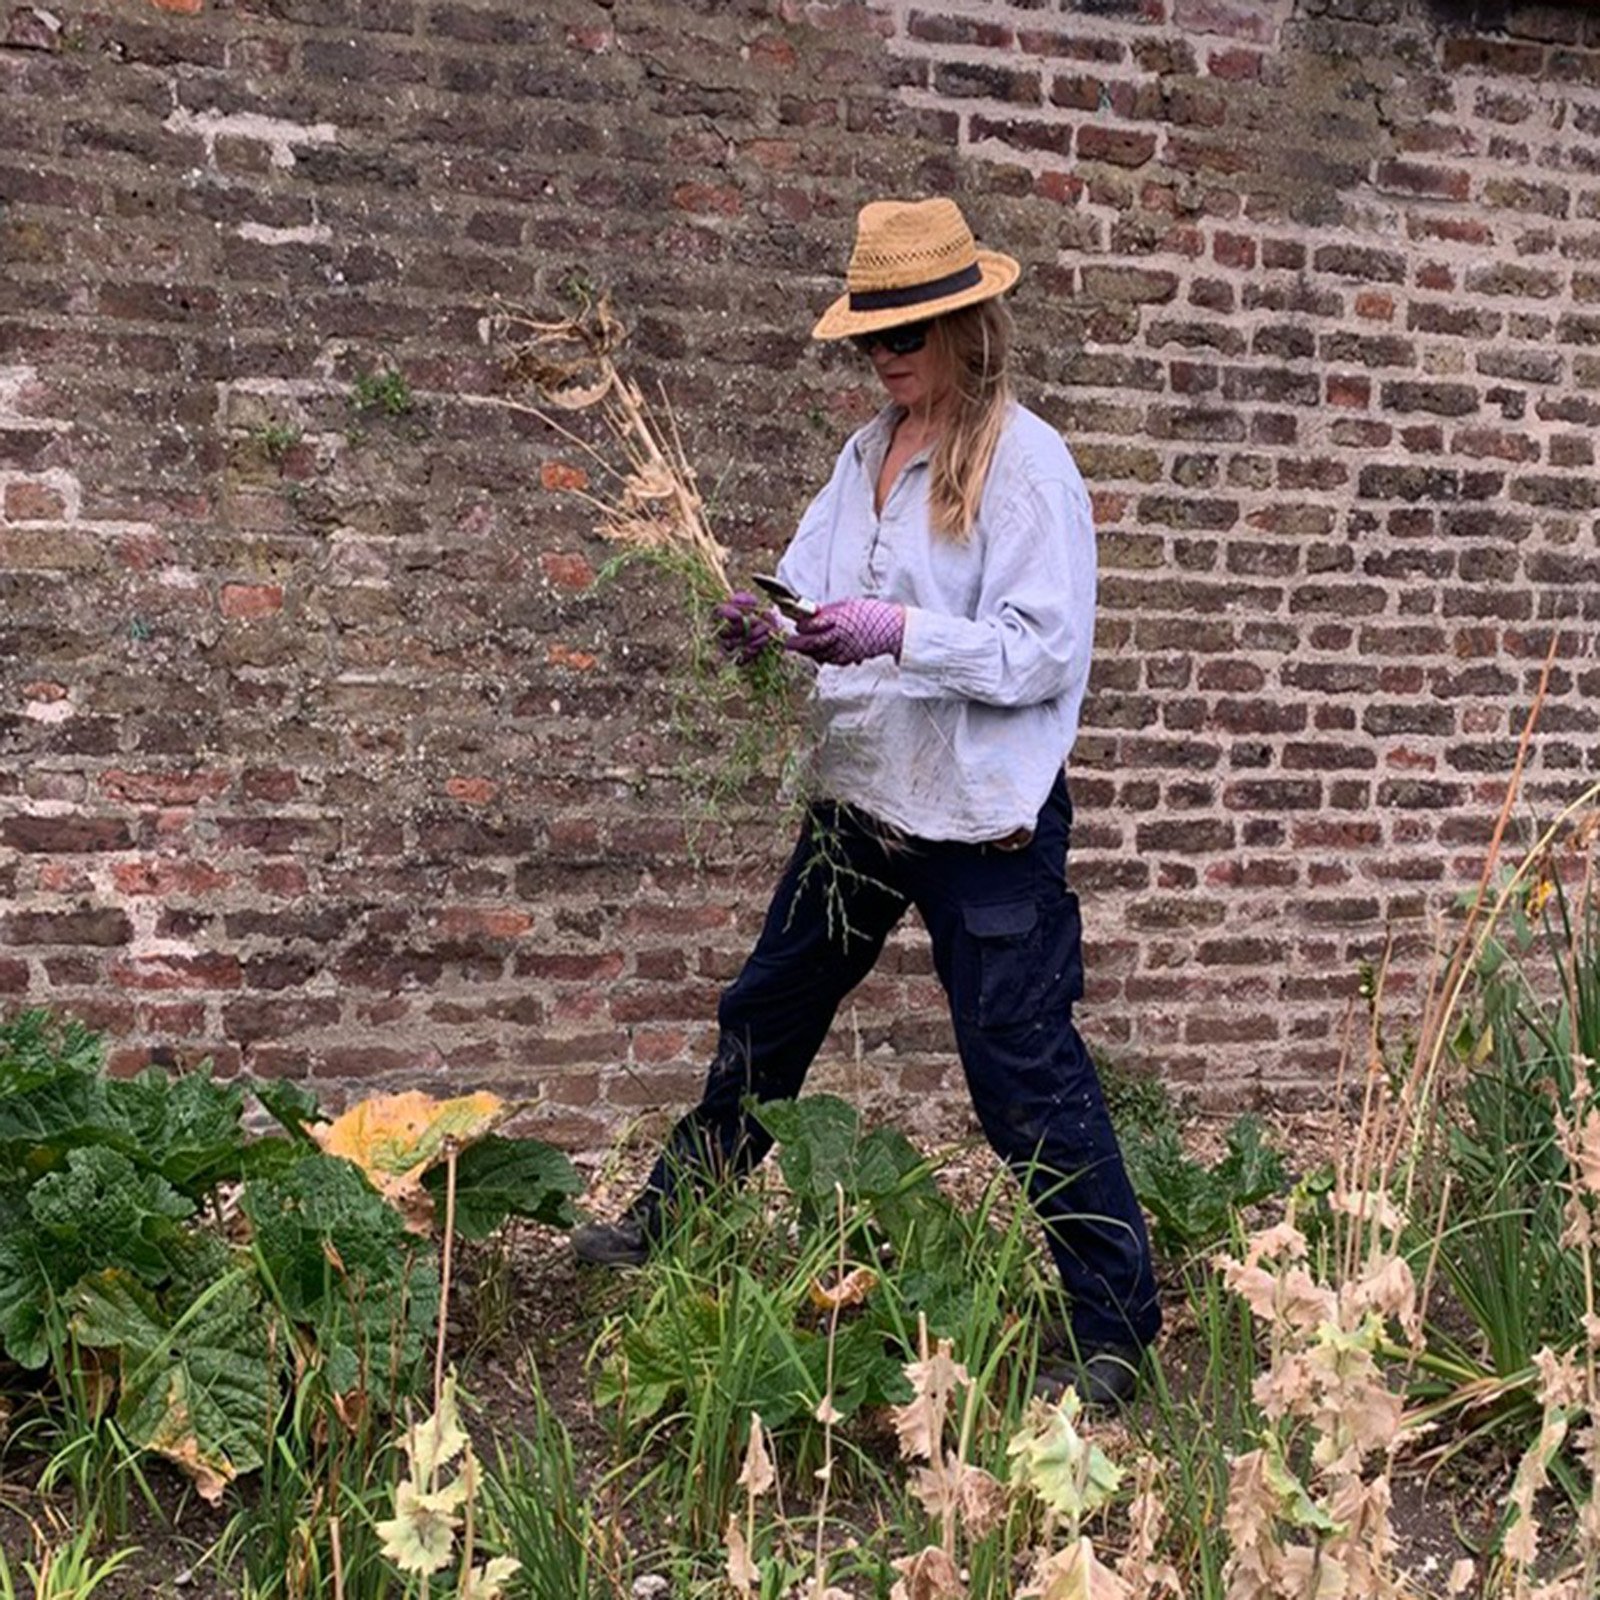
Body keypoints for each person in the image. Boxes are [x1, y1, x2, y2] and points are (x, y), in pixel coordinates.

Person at [571, 197, 1160, 1403]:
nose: (885, 357)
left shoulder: (1025, 464)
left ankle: (1112, 1326)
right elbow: (809, 588)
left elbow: (1041, 653)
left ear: (965, 322)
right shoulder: (863, 457)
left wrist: (899, 633)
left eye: (909, 332)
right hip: (863, 801)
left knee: (1021, 1070)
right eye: (868, 340)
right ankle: (672, 1218)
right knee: (767, 1012)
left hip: (983, 819)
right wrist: (767, 621)